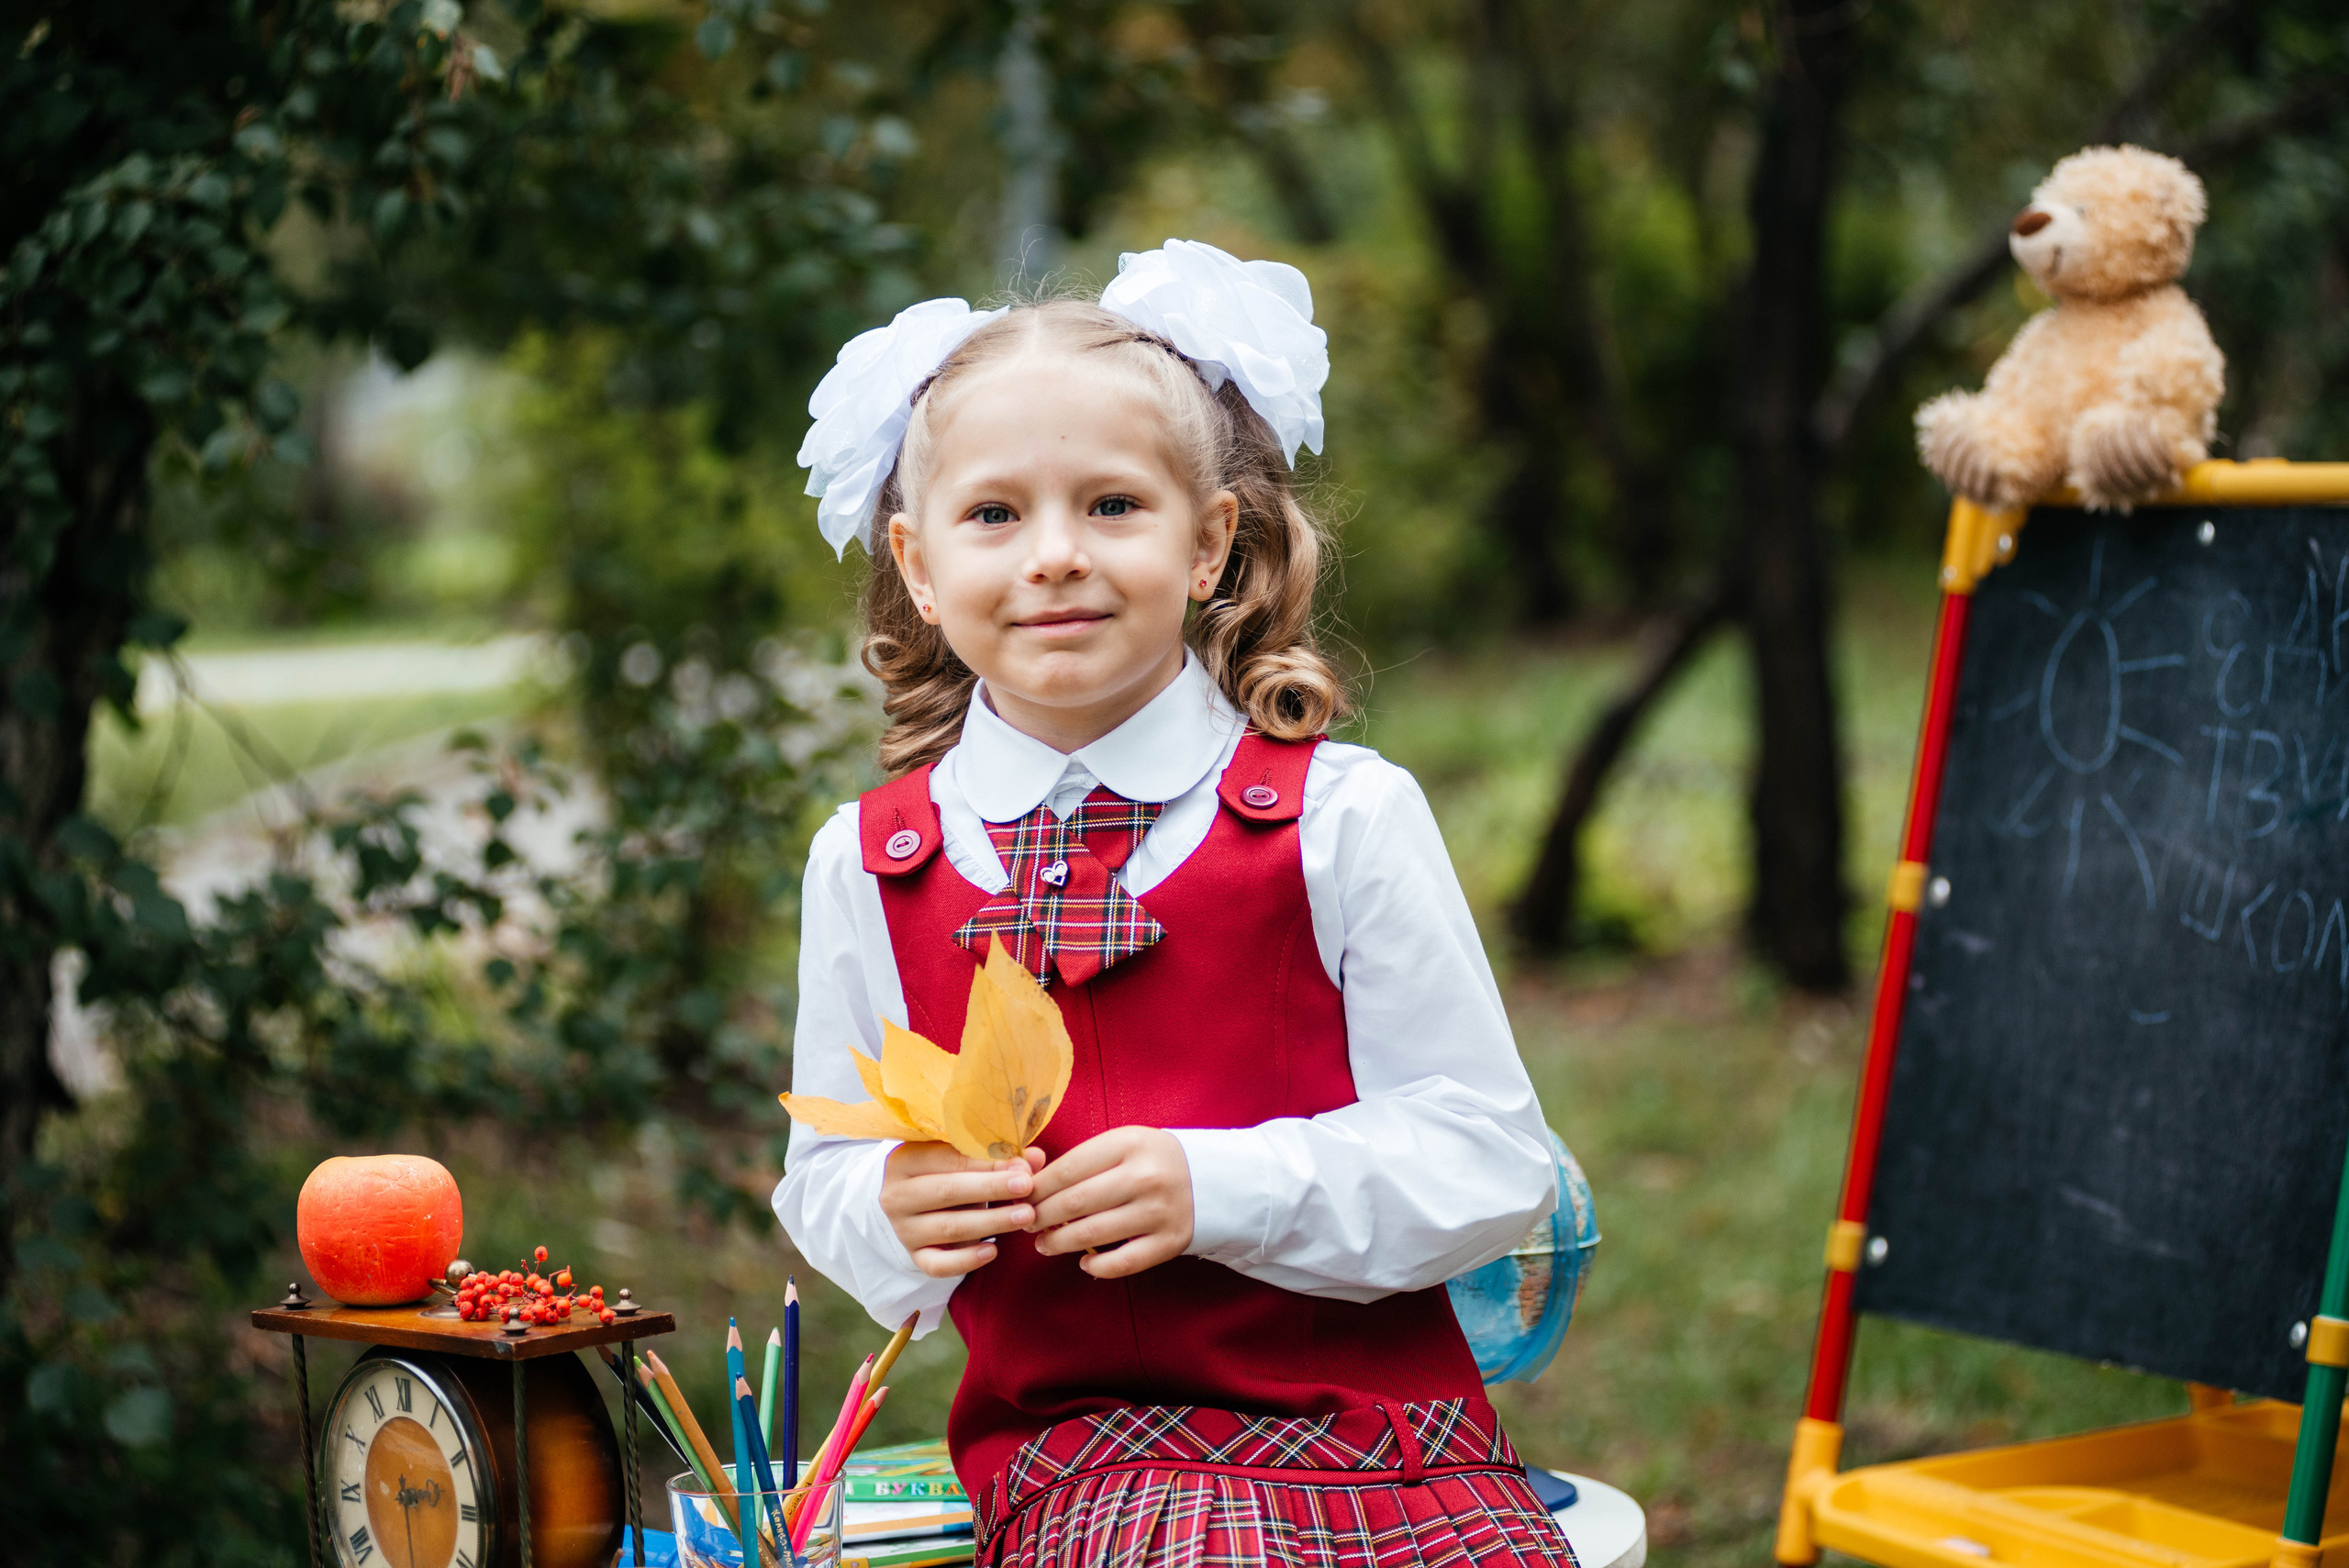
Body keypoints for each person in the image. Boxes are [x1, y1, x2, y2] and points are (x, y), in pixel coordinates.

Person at [775, 239, 1574, 1566]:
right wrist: (892, 1208)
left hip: (1381, 1444)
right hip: (1080, 1463)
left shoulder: (1338, 818)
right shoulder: (872, 861)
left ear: (1209, 542)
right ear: (916, 566)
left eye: (1110, 506)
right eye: (993, 516)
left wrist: (1223, 1184)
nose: (1052, 557)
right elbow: (829, 1179)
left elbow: (1493, 1163)